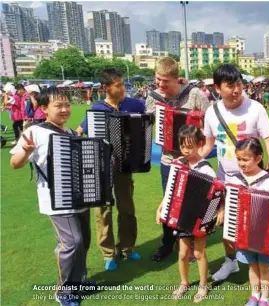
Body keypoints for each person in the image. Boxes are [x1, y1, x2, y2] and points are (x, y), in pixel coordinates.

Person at [10, 87, 93, 306]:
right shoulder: (34, 131)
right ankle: (64, 291)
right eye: (58, 105)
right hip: (55, 198)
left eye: (66, 104)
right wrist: (26, 151)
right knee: (71, 243)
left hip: (80, 196)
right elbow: (14, 163)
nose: (65, 109)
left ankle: (79, 282)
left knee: (83, 241)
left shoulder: (71, 133)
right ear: (44, 108)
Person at [199, 63, 269, 284]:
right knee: (227, 223)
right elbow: (208, 145)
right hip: (226, 178)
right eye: (230, 86)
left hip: (254, 180)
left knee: (259, 224)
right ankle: (231, 261)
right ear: (217, 88)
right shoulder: (212, 112)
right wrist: (193, 158)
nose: (236, 90)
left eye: (239, 84)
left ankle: (267, 267)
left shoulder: (255, 108)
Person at [76, 68, 145, 271]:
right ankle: (108, 253)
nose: (123, 88)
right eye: (118, 85)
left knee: (127, 208)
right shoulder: (97, 110)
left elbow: (148, 122)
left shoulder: (134, 104)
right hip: (102, 167)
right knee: (103, 211)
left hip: (125, 165)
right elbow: (80, 132)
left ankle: (128, 247)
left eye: (123, 84)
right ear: (106, 87)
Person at [145, 57, 211, 262]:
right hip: (168, 160)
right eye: (158, 79)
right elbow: (148, 123)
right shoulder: (153, 97)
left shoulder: (195, 94)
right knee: (169, 201)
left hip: (193, 161)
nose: (160, 85)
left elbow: (210, 123)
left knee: (191, 203)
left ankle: (190, 245)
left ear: (177, 79)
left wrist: (201, 152)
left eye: (165, 81)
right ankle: (167, 243)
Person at [155, 125, 222, 303]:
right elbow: (170, 189)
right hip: (181, 215)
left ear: (200, 144)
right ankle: (184, 282)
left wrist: (215, 213)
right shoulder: (177, 165)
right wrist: (162, 206)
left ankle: (203, 284)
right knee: (183, 253)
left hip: (200, 218)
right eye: (183, 146)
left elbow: (216, 194)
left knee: (199, 253)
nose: (186, 150)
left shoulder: (206, 169)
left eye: (190, 147)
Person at [228, 138, 269, 306]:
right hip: (243, 235)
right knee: (251, 267)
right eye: (239, 159)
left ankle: (265, 298)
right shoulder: (235, 180)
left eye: (245, 159)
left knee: (264, 268)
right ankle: (254, 295)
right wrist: (223, 212)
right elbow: (227, 202)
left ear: (258, 158)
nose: (241, 163)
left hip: (265, 237)